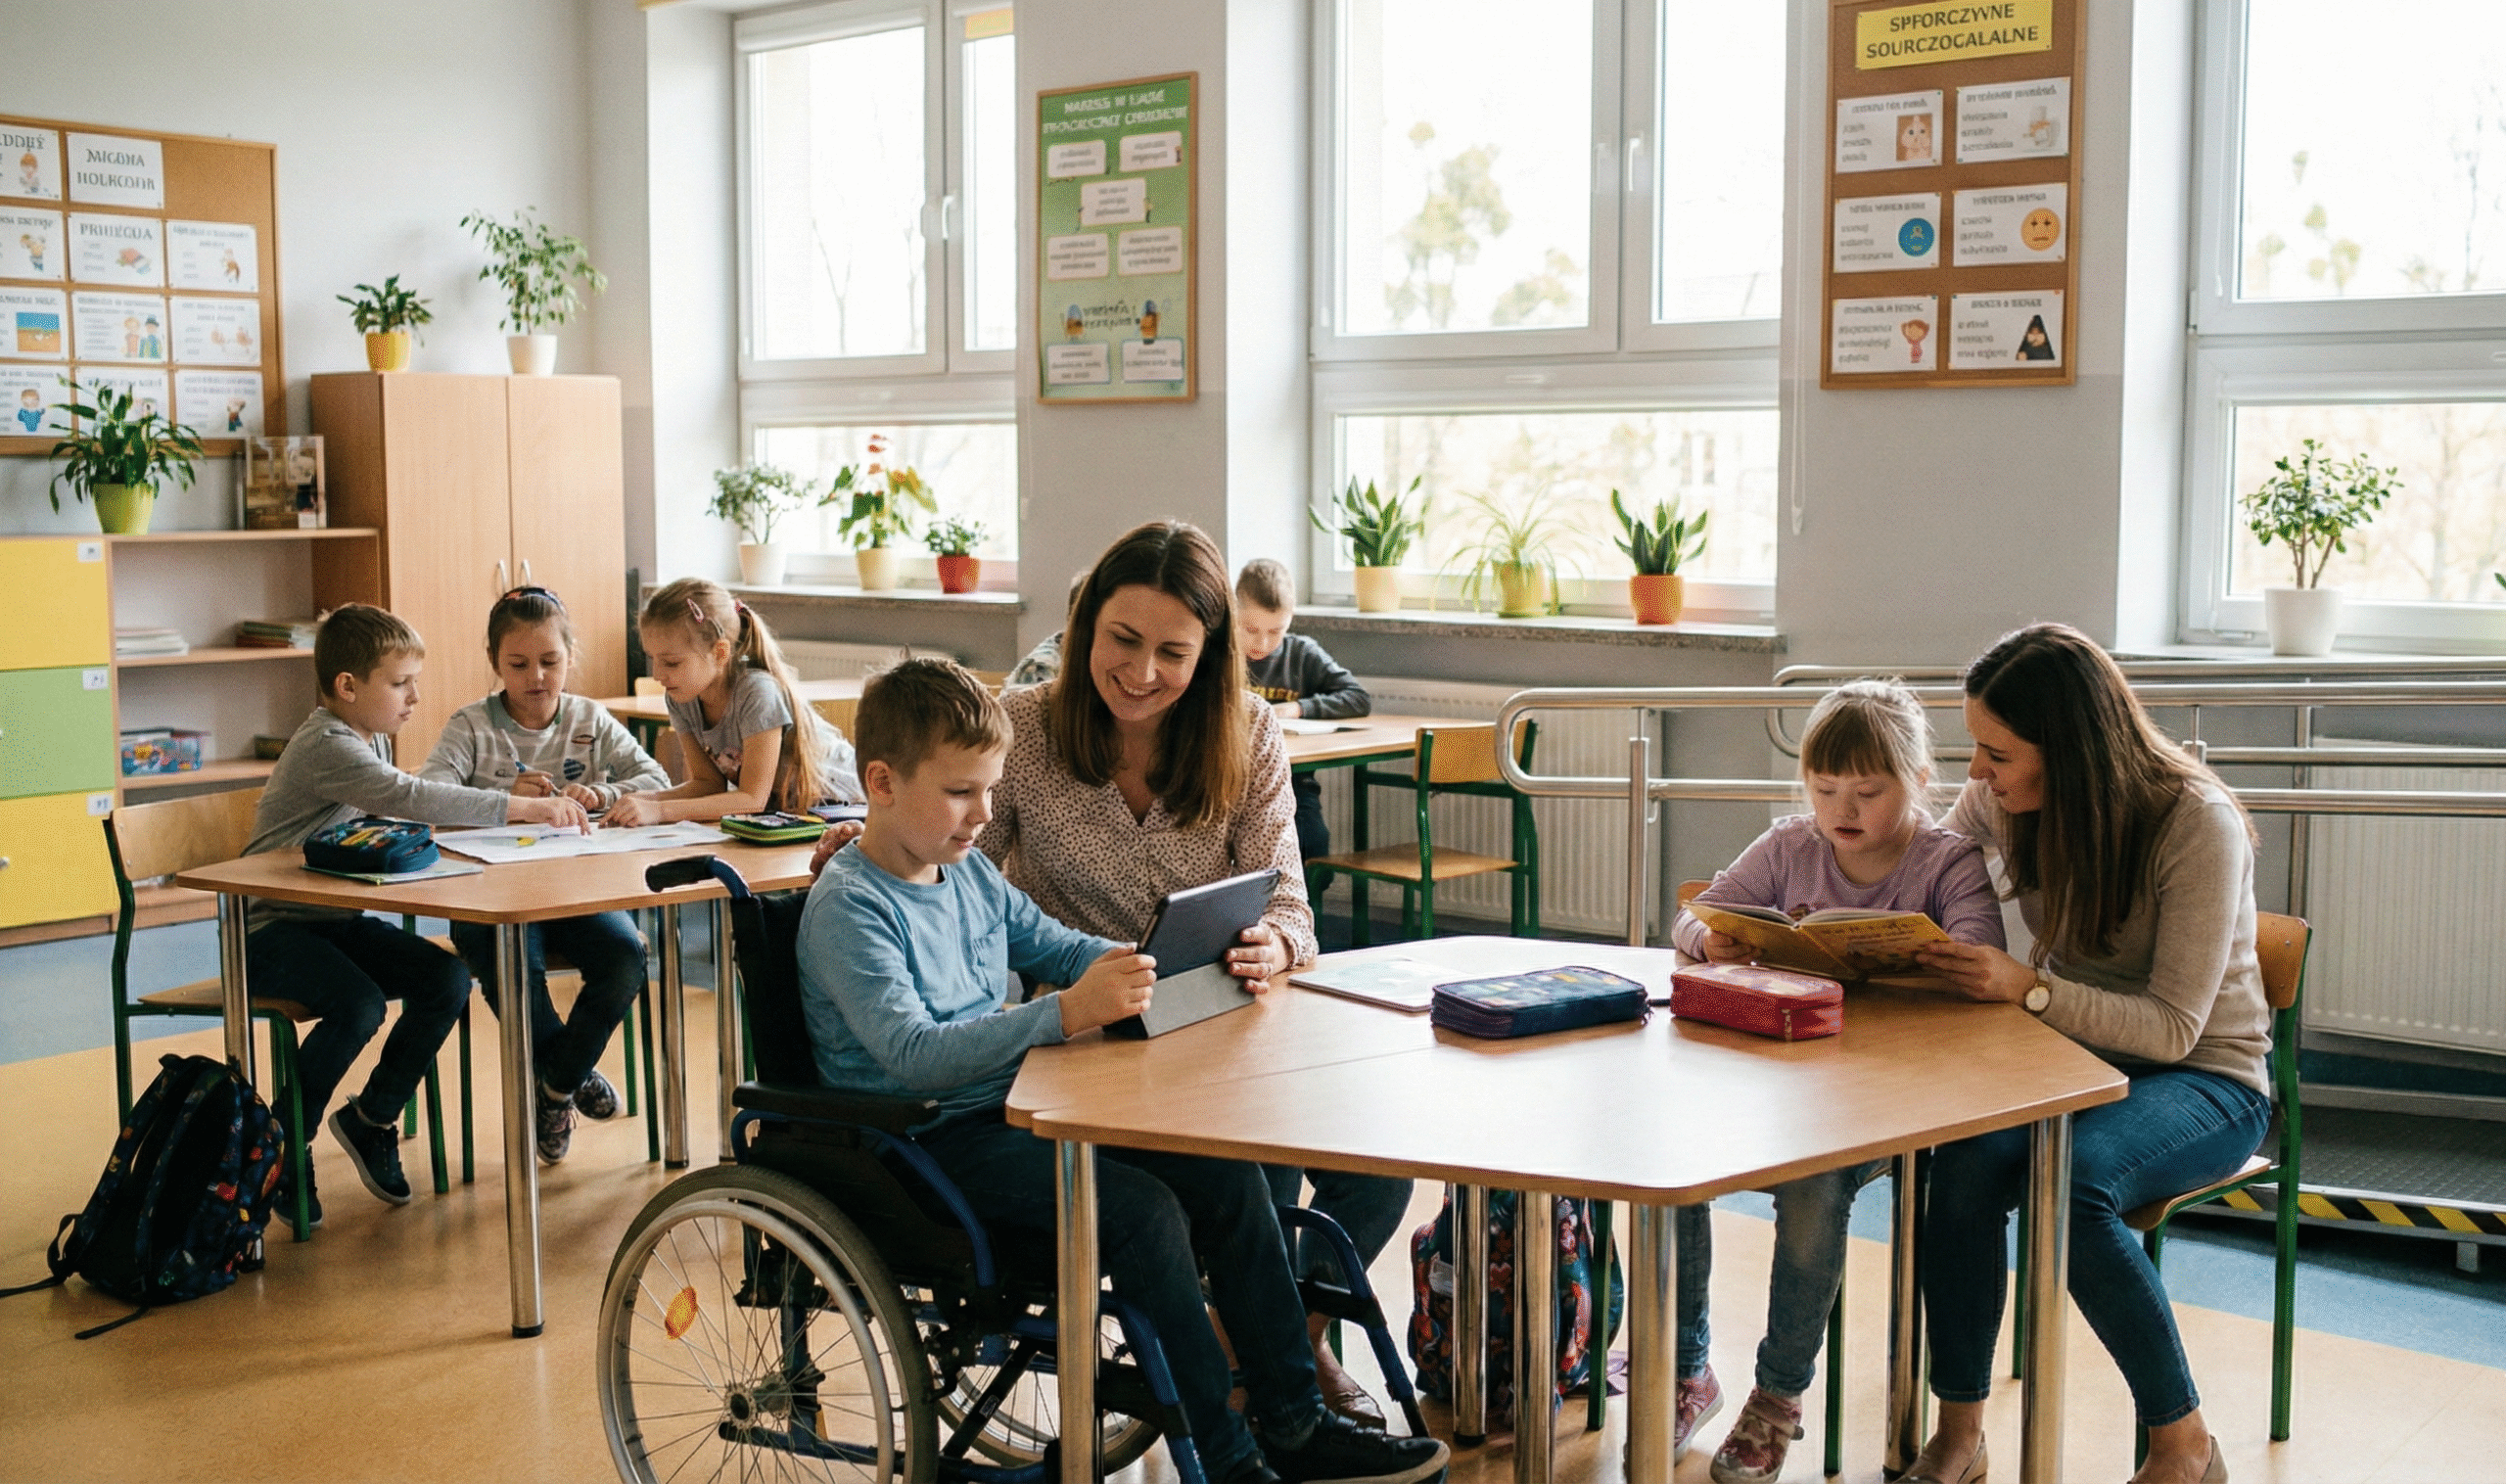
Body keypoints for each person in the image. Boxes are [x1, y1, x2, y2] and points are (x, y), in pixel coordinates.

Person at [798, 658, 1449, 1484]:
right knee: (1143, 1212)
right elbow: (913, 1053)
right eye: (962, 792)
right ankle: (1228, 1457)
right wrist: (1066, 1013)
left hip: (1015, 1109)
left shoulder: (965, 873)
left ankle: (1294, 1422)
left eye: (990, 790)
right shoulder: (852, 906)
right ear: (882, 783)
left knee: (1227, 1179)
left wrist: (1156, 960)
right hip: (923, 1144)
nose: (985, 814)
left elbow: (1056, 945)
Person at [976, 521, 1413, 1425]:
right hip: (1085, 1036)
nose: (1141, 673)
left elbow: (1291, 904)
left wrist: (1276, 945)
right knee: (1249, 1169)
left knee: (1380, 1171)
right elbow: (950, 867)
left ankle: (1272, 1342)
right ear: (1085, 627)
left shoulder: (1247, 731)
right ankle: (1283, 1368)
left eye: (1173, 653)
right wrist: (867, 842)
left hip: (1221, 1019)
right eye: (1122, 640)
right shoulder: (1022, 727)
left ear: (1210, 653)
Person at [1901, 624, 2272, 1484]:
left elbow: (2173, 1029)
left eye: (1997, 753)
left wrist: (2027, 988)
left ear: (2068, 753)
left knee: (2072, 1189)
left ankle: (2185, 1447)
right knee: (1960, 1164)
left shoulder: (2197, 821)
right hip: (2075, 1059)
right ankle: (1960, 1438)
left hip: (2208, 1078)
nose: (1977, 773)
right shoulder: (2006, 799)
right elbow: (1924, 871)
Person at [1666, 680, 2005, 1480]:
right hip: (1784, 1081)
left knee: (1815, 1190)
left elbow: (1983, 961)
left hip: (1888, 1095)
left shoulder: (1946, 859)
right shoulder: (1791, 845)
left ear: (1917, 781)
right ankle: (1687, 1366)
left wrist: (1935, 959)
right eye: (1824, 790)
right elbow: (1693, 916)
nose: (1842, 810)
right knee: (1672, 1160)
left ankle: (1778, 1396)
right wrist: (1711, 942)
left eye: (1867, 792)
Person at [242, 605, 589, 1228]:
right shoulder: (328, 743)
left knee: (445, 979)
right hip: (271, 929)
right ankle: (283, 1147)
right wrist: (519, 808)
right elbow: (409, 797)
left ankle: (373, 1117)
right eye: (401, 683)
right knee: (358, 1005)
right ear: (348, 687)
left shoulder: (365, 735)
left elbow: (397, 806)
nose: (415, 698)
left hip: (331, 919)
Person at [420, 585, 670, 1164]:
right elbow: (428, 799)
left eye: (550, 661)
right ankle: (570, 1074)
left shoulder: (588, 718)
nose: (536, 676)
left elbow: (657, 780)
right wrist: (507, 798)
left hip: (573, 892)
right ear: (494, 662)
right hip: (487, 899)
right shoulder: (471, 726)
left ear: (570, 657)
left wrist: (602, 792)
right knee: (515, 967)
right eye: (518, 664)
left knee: (627, 956)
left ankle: (555, 1084)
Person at [608, 577, 861, 825]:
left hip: (847, 804)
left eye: (671, 662)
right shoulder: (681, 697)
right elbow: (708, 784)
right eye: (652, 659)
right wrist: (646, 799)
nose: (657, 674)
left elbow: (752, 800)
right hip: (793, 813)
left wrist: (660, 810)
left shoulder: (756, 692)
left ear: (719, 653)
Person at [1234, 558, 1370, 860]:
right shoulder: (1219, 653)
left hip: (1294, 781)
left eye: (1275, 631)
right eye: (1251, 629)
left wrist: (1297, 708)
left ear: (1290, 618)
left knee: (1313, 841)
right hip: (1231, 782)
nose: (1263, 642)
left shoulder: (1301, 652)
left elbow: (1358, 697)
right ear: (1234, 613)